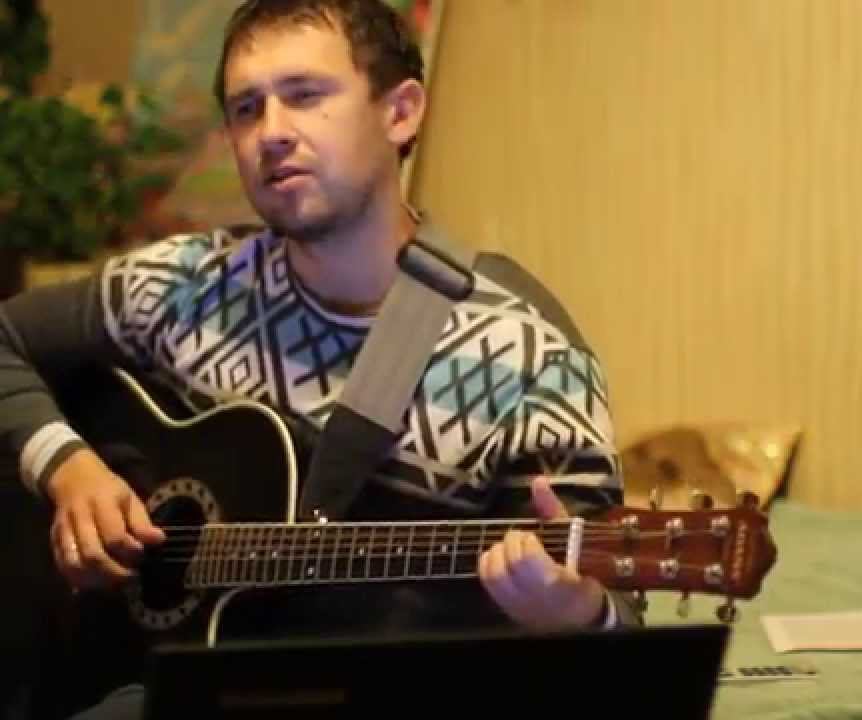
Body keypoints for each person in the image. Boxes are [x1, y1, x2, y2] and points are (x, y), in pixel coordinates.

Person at [0, 0, 641, 717]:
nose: (272, 132)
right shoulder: (183, 284)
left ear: (400, 113)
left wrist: (581, 614)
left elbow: (620, 621)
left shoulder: (533, 360)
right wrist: (67, 467)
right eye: (247, 109)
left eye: (305, 95)